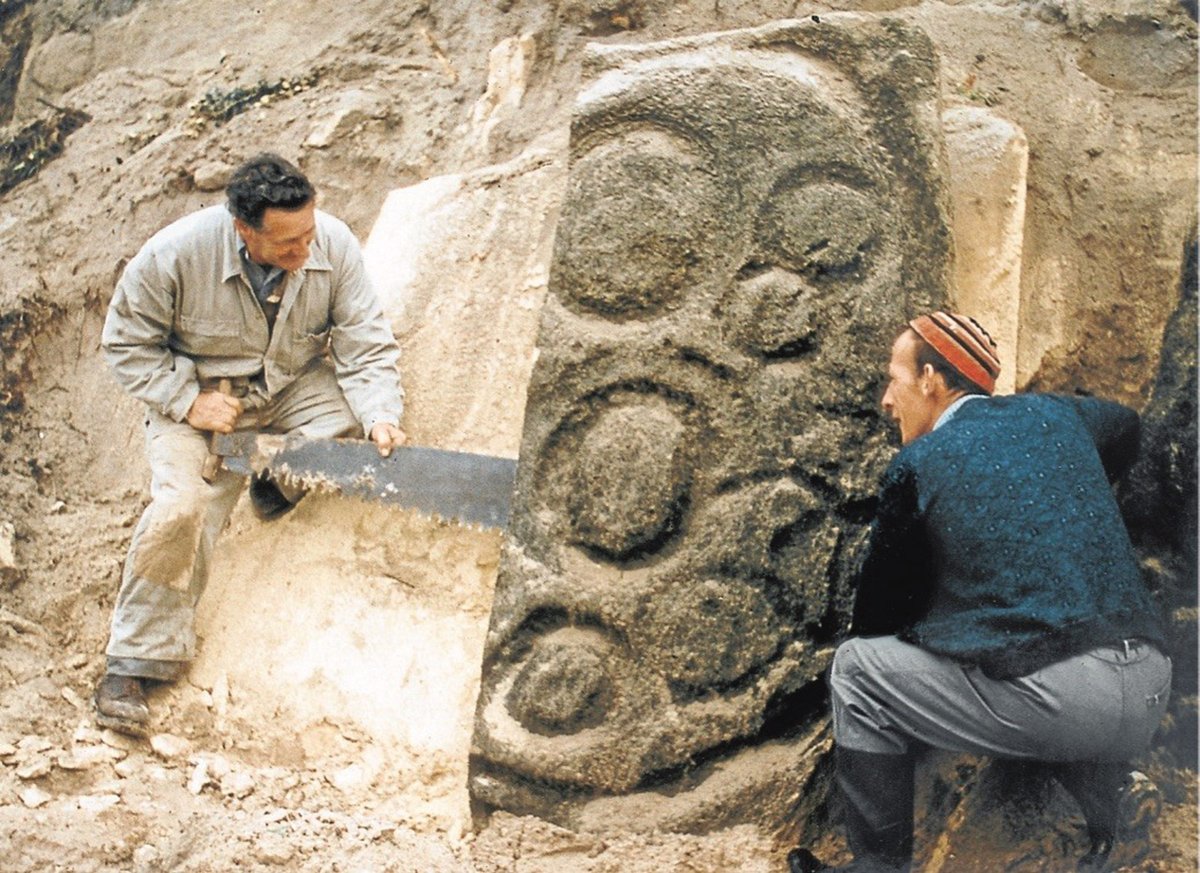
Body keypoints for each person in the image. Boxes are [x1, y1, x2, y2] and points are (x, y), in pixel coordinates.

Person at [788, 312, 1171, 873]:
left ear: (929, 380)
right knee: (1027, 658)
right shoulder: (1055, 414)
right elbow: (1127, 425)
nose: (885, 403)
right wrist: (1056, 488)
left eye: (892, 380)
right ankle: (1113, 790)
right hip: (1151, 687)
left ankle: (876, 867)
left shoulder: (918, 463)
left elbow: (876, 620)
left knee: (858, 670)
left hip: (1063, 701)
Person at [94, 153, 406, 735]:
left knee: (341, 434)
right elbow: (125, 346)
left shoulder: (330, 243)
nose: (304, 253)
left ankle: (270, 480)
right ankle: (133, 663)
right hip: (200, 402)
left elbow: (365, 340)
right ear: (244, 229)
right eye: (287, 245)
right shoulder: (174, 255)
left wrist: (381, 414)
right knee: (183, 508)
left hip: (288, 388)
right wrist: (189, 401)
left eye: (308, 235)